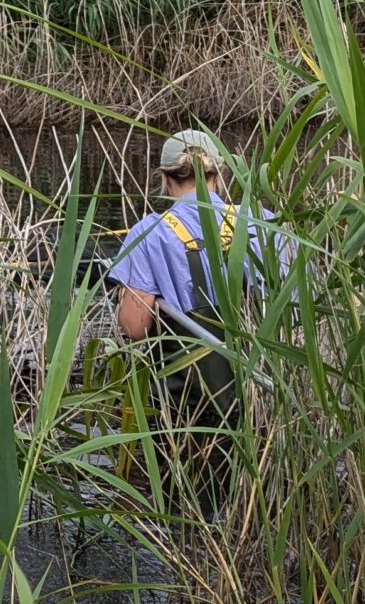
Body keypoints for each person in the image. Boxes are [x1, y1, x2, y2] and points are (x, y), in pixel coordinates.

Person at [106, 128, 286, 440]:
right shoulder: (263, 221)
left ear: (165, 178)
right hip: (267, 409)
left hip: (192, 413)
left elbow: (135, 328)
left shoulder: (149, 233)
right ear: (219, 173)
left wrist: (125, 292)